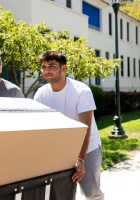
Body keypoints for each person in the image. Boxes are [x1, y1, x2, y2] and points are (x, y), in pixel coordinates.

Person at [33, 50, 104, 200]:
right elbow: (40, 128)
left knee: (91, 193)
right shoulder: (40, 94)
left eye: (51, 66)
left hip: (88, 148)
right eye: (44, 67)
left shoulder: (81, 91)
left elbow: (85, 129)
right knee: (61, 194)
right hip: (61, 150)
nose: (46, 70)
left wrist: (80, 160)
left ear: (63, 68)